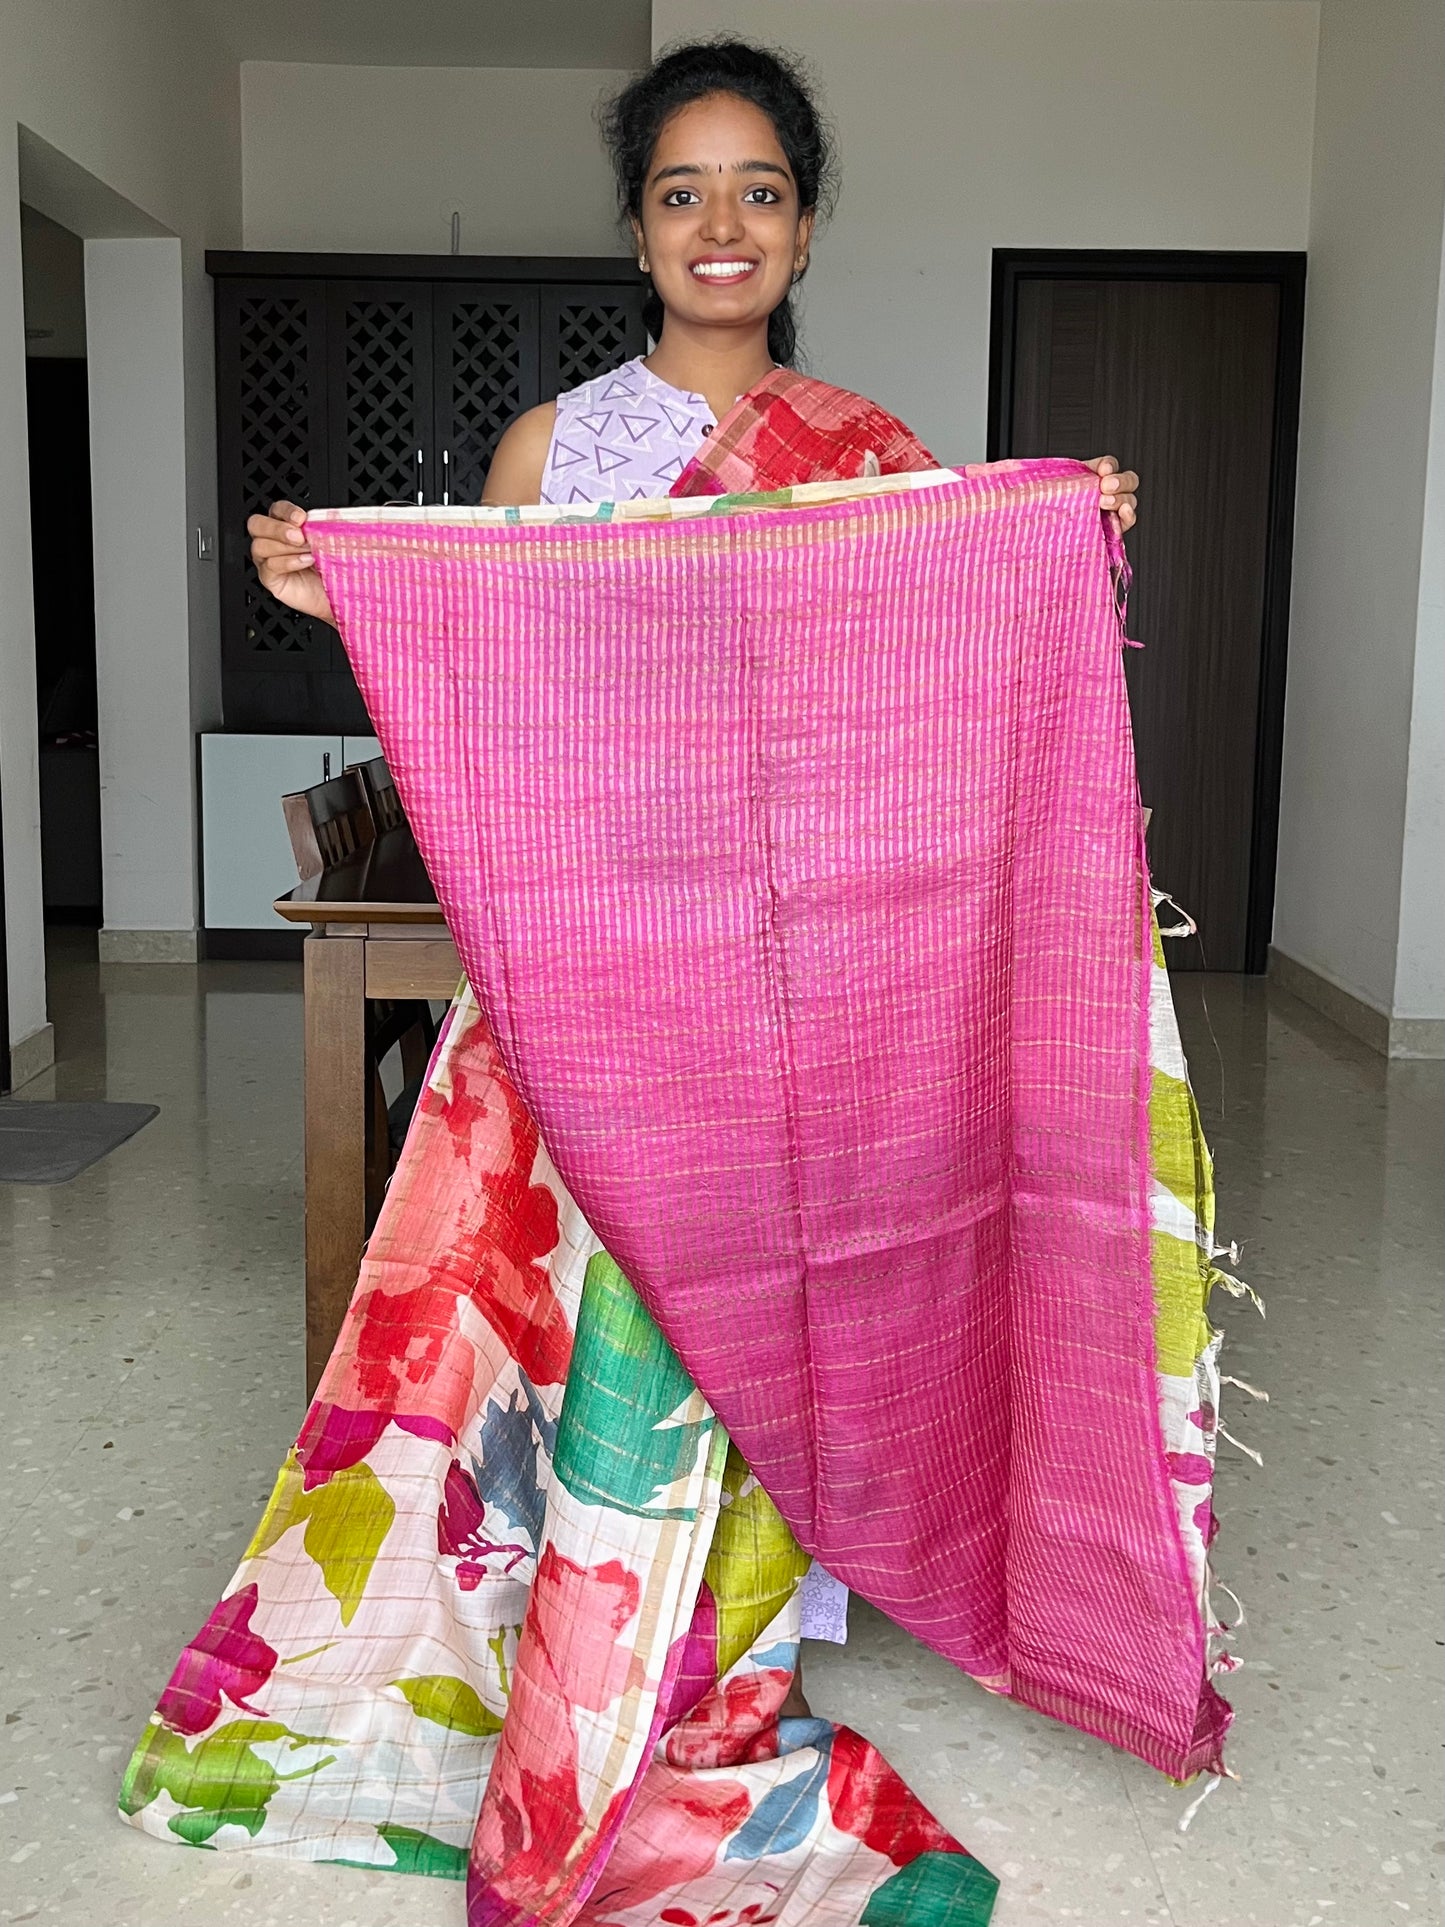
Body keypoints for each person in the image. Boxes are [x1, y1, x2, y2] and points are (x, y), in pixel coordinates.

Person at [127, 41, 1175, 1925]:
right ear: (635, 224)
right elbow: (505, 715)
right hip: (596, 971)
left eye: (758, 188)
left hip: (803, 1006)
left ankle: (719, 1653)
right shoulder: (558, 449)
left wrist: (1050, 537)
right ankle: (578, 1663)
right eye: (683, 189)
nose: (721, 224)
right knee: (593, 1332)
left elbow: (930, 696)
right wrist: (352, 596)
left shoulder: (869, 456)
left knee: (768, 1327)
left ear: (800, 221)